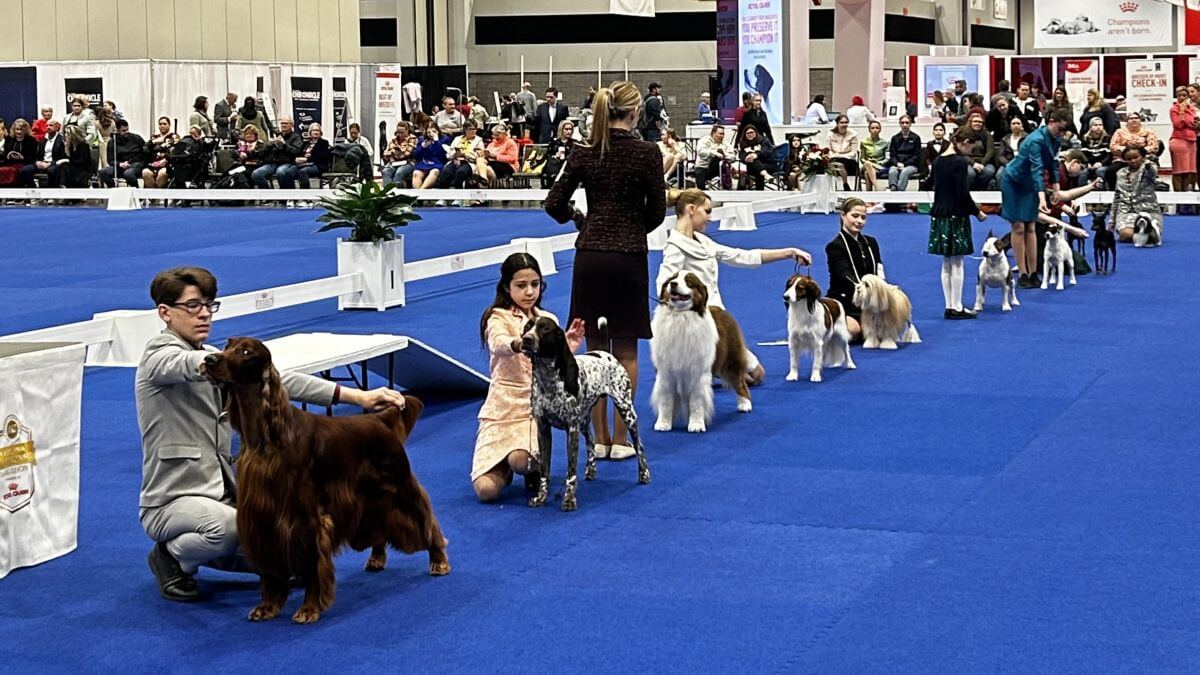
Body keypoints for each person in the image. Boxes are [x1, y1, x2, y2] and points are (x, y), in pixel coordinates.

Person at [136, 266, 404, 601]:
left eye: (209, 305)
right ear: (165, 312)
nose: (204, 314)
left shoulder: (211, 354)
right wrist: (211, 361)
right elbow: (179, 364)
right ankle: (171, 557)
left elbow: (281, 380)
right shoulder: (157, 357)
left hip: (222, 492)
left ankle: (222, 552)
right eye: (192, 306)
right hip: (171, 503)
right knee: (231, 529)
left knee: (287, 554)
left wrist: (356, 396)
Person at [544, 80, 666, 461]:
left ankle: (597, 438)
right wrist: (631, 228)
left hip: (591, 256)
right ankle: (621, 439)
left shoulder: (584, 153)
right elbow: (658, 212)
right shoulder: (648, 153)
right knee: (626, 348)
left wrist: (580, 218)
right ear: (635, 114)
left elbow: (553, 203)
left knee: (595, 351)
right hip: (628, 256)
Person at [656, 188, 811, 384]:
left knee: (756, 375)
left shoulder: (703, 241)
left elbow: (743, 256)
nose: (710, 218)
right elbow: (663, 287)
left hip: (718, 320)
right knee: (752, 376)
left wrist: (788, 252)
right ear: (691, 209)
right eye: (708, 211)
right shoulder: (675, 247)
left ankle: (711, 367)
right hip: (696, 324)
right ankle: (702, 364)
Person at [473, 254, 586, 501]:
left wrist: (569, 344)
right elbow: (498, 344)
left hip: (532, 405)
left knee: (520, 461)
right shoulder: (496, 317)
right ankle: (511, 466)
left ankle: (529, 467)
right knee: (485, 491)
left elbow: (554, 360)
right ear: (506, 287)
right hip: (501, 407)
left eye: (535, 285)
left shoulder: (549, 319)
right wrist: (516, 343)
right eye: (521, 286)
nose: (529, 292)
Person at [999, 108, 1073, 289]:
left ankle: (1033, 272)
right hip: (1014, 182)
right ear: (1051, 121)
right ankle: (1023, 273)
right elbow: (1037, 169)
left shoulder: (1055, 139)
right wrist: (1042, 199)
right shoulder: (1035, 140)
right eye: (1060, 129)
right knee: (1018, 227)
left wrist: (1056, 190)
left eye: (1065, 130)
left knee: (1031, 226)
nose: (1062, 133)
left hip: (1031, 183)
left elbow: (1054, 165)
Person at [929, 126, 988, 319]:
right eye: (971, 148)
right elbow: (962, 194)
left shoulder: (938, 161)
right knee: (957, 263)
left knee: (946, 262)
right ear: (964, 142)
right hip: (955, 215)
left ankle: (949, 305)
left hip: (939, 215)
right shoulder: (959, 163)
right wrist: (977, 212)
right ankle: (958, 305)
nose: (971, 152)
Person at [825, 197, 883, 341]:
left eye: (863, 217)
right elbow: (844, 275)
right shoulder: (835, 246)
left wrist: (885, 289)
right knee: (854, 330)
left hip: (869, 301)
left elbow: (879, 269)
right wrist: (866, 290)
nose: (859, 221)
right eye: (855, 216)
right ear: (843, 215)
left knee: (881, 329)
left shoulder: (871, 243)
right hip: (844, 301)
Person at [1111, 146, 1163, 244]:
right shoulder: (1120, 173)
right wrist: (1111, 222)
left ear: (1143, 157)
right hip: (1125, 213)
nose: (1133, 161)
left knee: (1143, 230)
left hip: (1148, 211)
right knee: (1124, 235)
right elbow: (1117, 197)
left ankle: (1150, 231)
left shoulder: (1148, 169)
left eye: (1136, 157)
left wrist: (1148, 163)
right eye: (1129, 159)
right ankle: (1148, 236)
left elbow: (1152, 171)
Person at [1107, 111, 1159, 191]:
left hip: (1142, 159)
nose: (1134, 120)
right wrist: (1126, 150)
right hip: (1123, 159)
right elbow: (1113, 146)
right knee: (1111, 171)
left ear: (1140, 120)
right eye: (1131, 118)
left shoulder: (1148, 132)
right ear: (1127, 121)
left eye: (1136, 118)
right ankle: (1113, 193)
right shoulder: (1119, 132)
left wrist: (1139, 151)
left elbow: (1154, 146)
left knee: (1151, 169)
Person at [278, 122, 330, 189]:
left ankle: (305, 195)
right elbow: (300, 154)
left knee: (303, 172)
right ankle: (291, 194)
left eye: (317, 130)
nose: (316, 132)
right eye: (314, 130)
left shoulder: (324, 143)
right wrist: (297, 159)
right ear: (310, 132)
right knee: (289, 171)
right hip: (304, 164)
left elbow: (322, 156)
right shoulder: (306, 143)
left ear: (320, 132)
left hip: (317, 165)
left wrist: (306, 159)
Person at [99, 118, 146, 187]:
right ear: (117, 131)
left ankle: (136, 193)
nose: (126, 132)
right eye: (123, 131)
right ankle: (113, 188)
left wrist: (130, 162)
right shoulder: (112, 142)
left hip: (135, 164)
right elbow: (110, 160)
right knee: (102, 172)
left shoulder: (136, 138)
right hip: (120, 167)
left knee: (128, 173)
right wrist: (120, 164)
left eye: (127, 129)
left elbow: (144, 153)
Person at [1169, 86, 1197, 196]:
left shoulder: (1192, 109)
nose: (1182, 98)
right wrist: (1181, 112)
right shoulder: (1174, 109)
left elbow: (1193, 123)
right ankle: (1177, 199)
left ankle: (1186, 200)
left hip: (1192, 142)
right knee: (1179, 172)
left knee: (1189, 172)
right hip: (1179, 141)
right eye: (1179, 95)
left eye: (1184, 95)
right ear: (1176, 96)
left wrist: (1188, 122)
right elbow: (1178, 124)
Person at [21, 119, 64, 187]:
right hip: (42, 163)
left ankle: (51, 193)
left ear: (57, 127)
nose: (48, 127)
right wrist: (37, 162)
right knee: (25, 170)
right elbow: (36, 155)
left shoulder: (62, 140)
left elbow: (62, 157)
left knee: (52, 171)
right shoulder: (42, 140)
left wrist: (50, 164)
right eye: (46, 125)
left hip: (54, 163)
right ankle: (34, 189)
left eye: (51, 125)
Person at [410, 115, 447, 190]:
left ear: (438, 131)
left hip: (437, 163)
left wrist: (437, 142)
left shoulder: (444, 139)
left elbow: (443, 156)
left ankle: (420, 193)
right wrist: (422, 147)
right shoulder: (421, 139)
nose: (431, 134)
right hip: (424, 162)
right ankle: (419, 197)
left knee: (434, 172)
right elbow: (416, 156)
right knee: (416, 173)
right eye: (429, 132)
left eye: (434, 131)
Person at [886, 115, 921, 191]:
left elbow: (916, 155)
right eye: (902, 123)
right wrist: (897, 164)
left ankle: (899, 192)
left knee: (905, 172)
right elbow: (892, 155)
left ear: (910, 124)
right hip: (897, 164)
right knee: (892, 171)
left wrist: (905, 164)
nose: (904, 125)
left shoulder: (916, 138)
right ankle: (893, 189)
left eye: (907, 123)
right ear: (900, 124)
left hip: (911, 165)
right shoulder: (895, 138)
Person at [142, 117, 179, 189]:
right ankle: (154, 198)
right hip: (153, 164)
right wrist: (153, 142)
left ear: (169, 125)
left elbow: (175, 152)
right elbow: (145, 149)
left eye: (164, 124)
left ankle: (156, 197)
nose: (162, 125)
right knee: (145, 172)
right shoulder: (154, 137)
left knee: (163, 173)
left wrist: (166, 159)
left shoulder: (174, 137)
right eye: (160, 124)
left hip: (167, 164)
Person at [737, 124, 776, 190]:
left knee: (756, 169)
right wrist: (745, 158)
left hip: (767, 164)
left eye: (752, 132)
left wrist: (757, 155)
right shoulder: (743, 143)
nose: (750, 134)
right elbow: (741, 155)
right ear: (745, 135)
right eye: (748, 133)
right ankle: (765, 175)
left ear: (755, 132)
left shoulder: (764, 140)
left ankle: (759, 191)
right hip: (752, 165)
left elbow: (767, 151)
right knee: (753, 162)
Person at [541, 119, 577, 189]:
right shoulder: (554, 142)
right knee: (552, 162)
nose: (568, 131)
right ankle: (553, 178)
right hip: (556, 163)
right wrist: (555, 156)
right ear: (561, 130)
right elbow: (547, 155)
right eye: (566, 129)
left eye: (570, 129)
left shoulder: (575, 143)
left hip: (569, 164)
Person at [827, 114, 859, 191]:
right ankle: (832, 188)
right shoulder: (830, 134)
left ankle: (845, 184)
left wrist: (841, 155)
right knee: (831, 165)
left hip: (849, 160)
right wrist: (835, 155)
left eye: (846, 122)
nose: (844, 124)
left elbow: (853, 152)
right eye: (842, 122)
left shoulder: (853, 134)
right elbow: (828, 150)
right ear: (837, 123)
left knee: (840, 164)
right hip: (834, 158)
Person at [0, 119, 36, 186]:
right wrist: (8, 155)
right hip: (10, 163)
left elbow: (33, 156)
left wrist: (22, 157)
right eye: (17, 129)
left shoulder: (31, 140)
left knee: (21, 171)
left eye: (21, 129)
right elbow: (5, 153)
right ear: (14, 129)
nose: (19, 132)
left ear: (25, 130)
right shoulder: (9, 139)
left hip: (25, 163)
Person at [381, 122, 417, 186]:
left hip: (408, 162)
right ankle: (388, 190)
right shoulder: (394, 139)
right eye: (398, 132)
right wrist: (394, 153)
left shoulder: (412, 138)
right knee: (385, 171)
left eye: (402, 132)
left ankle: (396, 190)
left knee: (399, 172)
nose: (400, 134)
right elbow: (386, 153)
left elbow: (407, 153)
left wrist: (393, 153)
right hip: (394, 162)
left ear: (407, 130)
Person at [692, 123, 728, 188]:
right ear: (713, 133)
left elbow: (733, 156)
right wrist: (714, 153)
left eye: (723, 134)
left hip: (716, 168)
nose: (722, 136)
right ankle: (701, 192)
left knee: (719, 155)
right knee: (699, 173)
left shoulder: (725, 143)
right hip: (702, 167)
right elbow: (700, 151)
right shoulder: (704, 140)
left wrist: (724, 155)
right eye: (720, 134)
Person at [1079, 116, 1112, 186]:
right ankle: (1081, 192)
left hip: (1103, 164)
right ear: (1091, 127)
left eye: (1100, 125)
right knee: (1083, 173)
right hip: (1090, 164)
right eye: (1095, 125)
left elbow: (1109, 155)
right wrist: (1088, 163)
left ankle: (1102, 191)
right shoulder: (1085, 139)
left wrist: (1101, 163)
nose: (1098, 127)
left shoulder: (1107, 138)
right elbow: (1084, 154)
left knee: (1100, 171)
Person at [995, 116, 1028, 185]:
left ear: (1022, 126)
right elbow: (1000, 155)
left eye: (1018, 123)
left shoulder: (1028, 138)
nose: (1016, 125)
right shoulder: (1005, 139)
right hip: (1008, 163)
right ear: (1010, 126)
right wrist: (1008, 164)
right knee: (999, 175)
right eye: (1013, 123)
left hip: (1023, 163)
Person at [859, 120, 886, 191]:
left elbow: (887, 158)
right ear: (869, 130)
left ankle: (869, 195)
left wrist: (877, 162)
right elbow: (862, 158)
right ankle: (877, 188)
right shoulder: (864, 142)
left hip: (878, 166)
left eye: (877, 128)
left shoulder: (885, 142)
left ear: (880, 130)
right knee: (868, 163)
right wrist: (869, 162)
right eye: (873, 128)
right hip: (865, 165)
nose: (875, 130)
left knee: (867, 173)